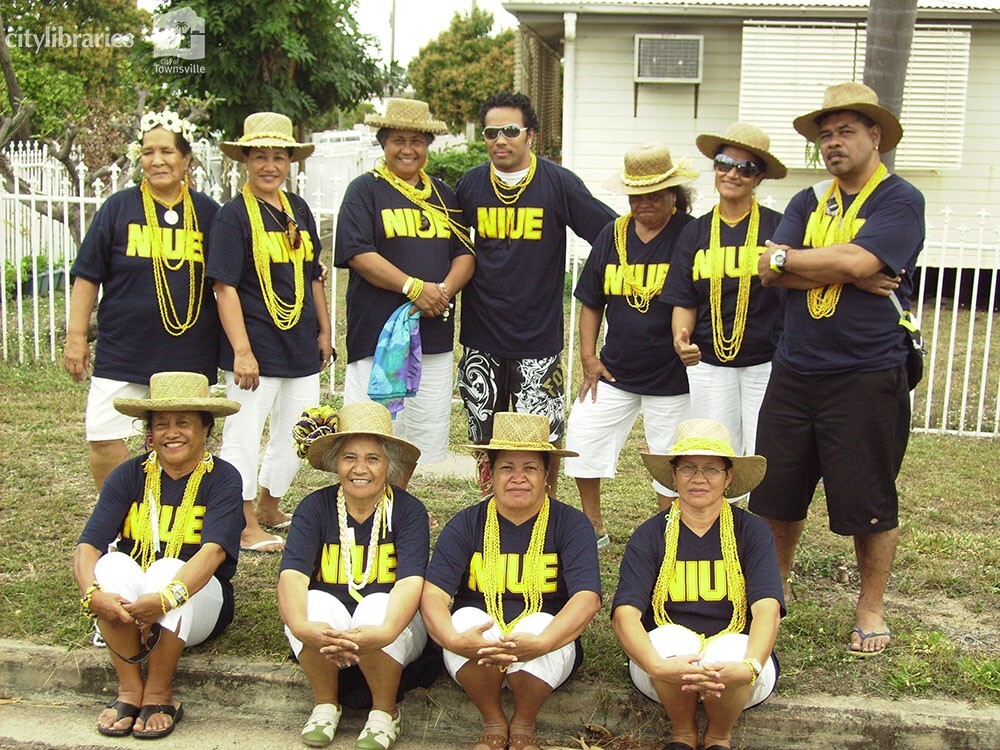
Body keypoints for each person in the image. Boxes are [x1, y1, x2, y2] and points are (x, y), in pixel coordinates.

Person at [753, 82, 924, 655]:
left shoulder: (898, 200)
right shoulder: (808, 202)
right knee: (776, 488)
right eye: (825, 135)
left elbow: (844, 258)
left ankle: (870, 606)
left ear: (875, 136)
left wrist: (804, 261)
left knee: (867, 498)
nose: (833, 143)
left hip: (867, 372)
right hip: (795, 368)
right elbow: (768, 270)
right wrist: (846, 269)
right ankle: (773, 588)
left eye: (846, 131)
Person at [455, 91, 617, 491]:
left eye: (511, 130)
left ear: (530, 135)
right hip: (482, 332)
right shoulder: (471, 185)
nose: (500, 140)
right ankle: (492, 505)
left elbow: (611, 236)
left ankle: (544, 507)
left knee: (542, 434)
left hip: (537, 335)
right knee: (484, 432)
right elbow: (445, 246)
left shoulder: (558, 184)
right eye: (491, 132)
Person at [73, 371, 244, 739]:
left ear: (205, 430)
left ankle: (159, 692)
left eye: (184, 423)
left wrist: (166, 598)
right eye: (162, 424)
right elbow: (88, 546)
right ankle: (129, 690)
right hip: (132, 607)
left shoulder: (224, 478)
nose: (172, 433)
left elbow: (213, 553)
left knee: (169, 568)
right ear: (149, 433)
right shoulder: (127, 475)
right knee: (113, 563)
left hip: (197, 604)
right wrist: (93, 594)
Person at [421, 412, 602, 750]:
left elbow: (587, 598)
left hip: (546, 647)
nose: (518, 478)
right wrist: (452, 639)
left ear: (547, 474)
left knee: (536, 623)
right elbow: (433, 594)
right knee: (468, 620)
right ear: (490, 474)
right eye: (507, 468)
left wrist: (544, 642)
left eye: (530, 468)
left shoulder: (571, 524)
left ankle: (523, 722)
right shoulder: (466, 524)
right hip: (476, 645)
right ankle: (493, 719)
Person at [65, 109, 220, 490]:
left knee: (184, 442)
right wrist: (75, 336)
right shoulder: (118, 207)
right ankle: (119, 514)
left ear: (186, 158)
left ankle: (175, 515)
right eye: (148, 152)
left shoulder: (208, 213)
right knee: (102, 435)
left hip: (189, 351)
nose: (157, 160)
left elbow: (229, 282)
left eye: (167, 151)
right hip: (125, 349)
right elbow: (87, 276)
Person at [612, 419, 784, 750]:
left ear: (729, 476)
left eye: (711, 469)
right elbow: (625, 614)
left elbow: (767, 609)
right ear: (674, 475)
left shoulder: (751, 531)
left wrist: (749, 666)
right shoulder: (651, 534)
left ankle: (719, 735)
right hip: (662, 671)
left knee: (729, 649)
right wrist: (657, 665)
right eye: (688, 467)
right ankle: (683, 733)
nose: (699, 478)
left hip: (739, 672)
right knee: (669, 637)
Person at [208, 112, 333, 553]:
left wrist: (324, 329)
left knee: (300, 433)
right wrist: (242, 351)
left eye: (278, 157)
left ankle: (268, 505)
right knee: (243, 435)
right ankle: (242, 524)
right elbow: (224, 288)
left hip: (299, 341)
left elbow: (313, 274)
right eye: (259, 156)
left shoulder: (296, 210)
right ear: (245, 160)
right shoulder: (232, 217)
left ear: (290, 162)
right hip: (254, 347)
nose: (269, 166)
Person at [563, 144, 697, 548]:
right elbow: (591, 301)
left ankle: (668, 532)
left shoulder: (690, 233)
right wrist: (588, 358)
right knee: (583, 436)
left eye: (654, 194)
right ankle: (593, 525)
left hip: (674, 374)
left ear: (673, 193)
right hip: (615, 369)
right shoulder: (612, 234)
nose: (644, 203)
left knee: (670, 457)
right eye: (636, 195)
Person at [279, 401, 432, 749]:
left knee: (378, 604)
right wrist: (302, 627)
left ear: (389, 466)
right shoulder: (314, 507)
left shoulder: (408, 512)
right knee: (311, 603)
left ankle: (384, 713)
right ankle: (325, 704)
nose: (359, 468)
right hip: (330, 629)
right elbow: (293, 576)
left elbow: (410, 582)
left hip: (395, 627)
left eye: (373, 459)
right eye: (349, 457)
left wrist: (385, 632)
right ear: (335, 463)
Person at [335, 98, 474, 467]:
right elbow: (358, 253)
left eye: (417, 141)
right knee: (371, 427)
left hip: (433, 333)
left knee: (423, 430)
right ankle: (367, 507)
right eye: (398, 139)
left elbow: (465, 253)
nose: (408, 149)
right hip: (378, 335)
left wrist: (441, 292)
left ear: (428, 145)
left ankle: (402, 508)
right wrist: (413, 287)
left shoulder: (445, 196)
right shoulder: (364, 191)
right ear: (383, 142)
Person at [664, 123, 787, 458]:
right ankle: (724, 512)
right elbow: (683, 298)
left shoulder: (779, 226)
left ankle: (760, 513)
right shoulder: (694, 233)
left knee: (767, 452)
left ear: (759, 177)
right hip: (709, 362)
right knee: (716, 451)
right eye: (724, 163)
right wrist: (680, 338)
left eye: (746, 168)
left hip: (767, 360)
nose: (733, 174)